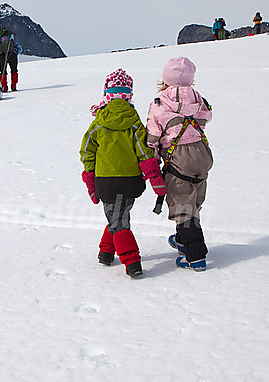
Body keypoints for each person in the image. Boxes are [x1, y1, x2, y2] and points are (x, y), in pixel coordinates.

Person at [79, 69, 166, 279]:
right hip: (130, 182)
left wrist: (90, 179)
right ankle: (106, 252)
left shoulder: (98, 123)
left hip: (106, 182)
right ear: (129, 96)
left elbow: (87, 152)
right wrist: (154, 176)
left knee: (118, 221)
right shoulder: (135, 124)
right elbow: (144, 152)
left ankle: (131, 261)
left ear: (106, 95)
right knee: (118, 216)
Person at [145, 56, 213, 271]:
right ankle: (183, 238)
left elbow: (152, 136)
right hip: (202, 153)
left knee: (183, 205)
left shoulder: (159, 103)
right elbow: (207, 116)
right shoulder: (198, 98)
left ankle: (195, 256)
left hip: (179, 157)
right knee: (194, 198)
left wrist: (153, 158)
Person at [0, 27, 23, 92]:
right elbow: (19, 48)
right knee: (14, 70)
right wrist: (15, 53)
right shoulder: (11, 36)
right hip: (12, 54)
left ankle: (4, 87)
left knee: (3, 71)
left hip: (2, 55)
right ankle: (14, 86)